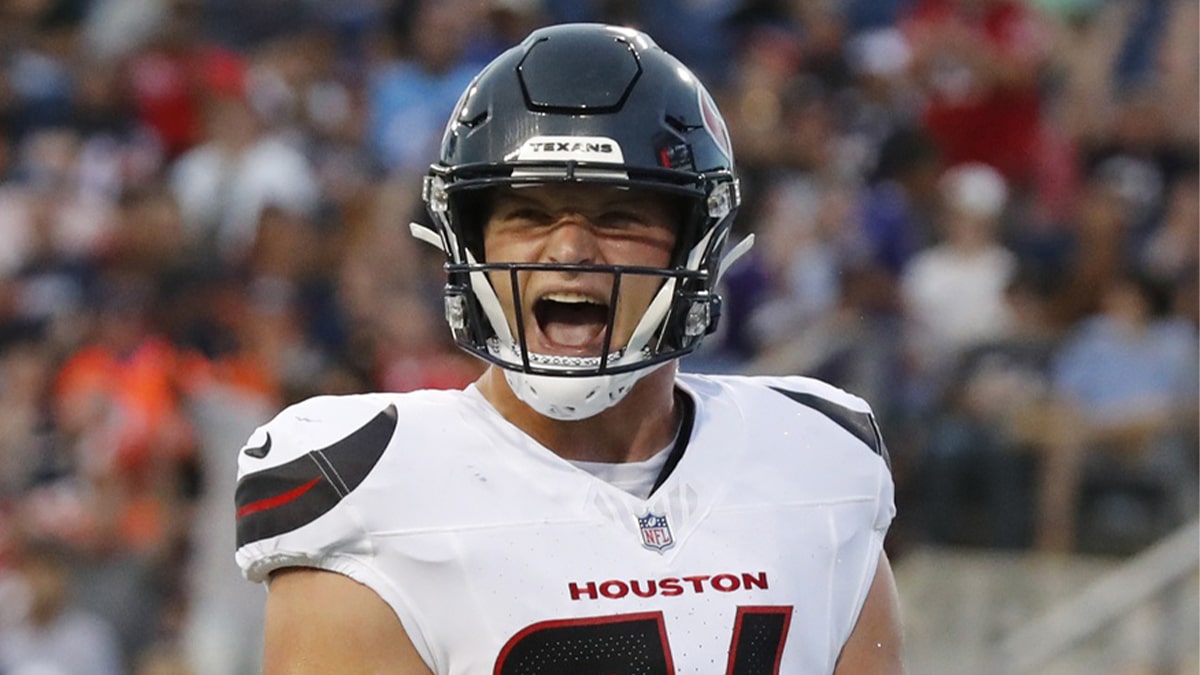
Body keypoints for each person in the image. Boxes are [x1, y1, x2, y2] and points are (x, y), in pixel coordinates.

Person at [234, 23, 904, 674]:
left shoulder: (816, 458)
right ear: (470, 242)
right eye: (529, 213)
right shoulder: (369, 485)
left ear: (697, 247)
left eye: (619, 216)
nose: (570, 250)